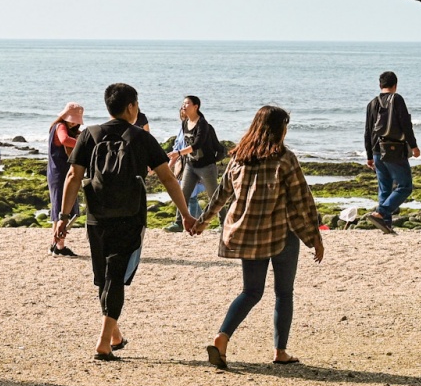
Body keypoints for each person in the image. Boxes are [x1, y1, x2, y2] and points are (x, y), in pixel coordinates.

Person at [57, 83, 194, 360]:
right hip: (130, 216)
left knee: (104, 278)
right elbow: (168, 178)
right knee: (116, 276)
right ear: (131, 107)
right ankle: (104, 341)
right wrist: (186, 215)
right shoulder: (140, 137)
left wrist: (63, 217)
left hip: (97, 215)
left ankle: (114, 335)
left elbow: (73, 177)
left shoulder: (90, 135)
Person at [204, 105, 324, 368]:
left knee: (251, 291)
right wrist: (315, 237)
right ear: (279, 128)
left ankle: (222, 337)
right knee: (284, 293)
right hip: (282, 235)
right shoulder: (285, 158)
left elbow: (221, 195)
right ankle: (280, 351)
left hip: (249, 235)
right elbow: (303, 199)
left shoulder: (239, 158)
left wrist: (203, 221)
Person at [364, 71, 419, 234]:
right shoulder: (397, 99)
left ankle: (385, 224)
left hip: (376, 150)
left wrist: (368, 155)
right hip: (394, 149)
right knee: (405, 186)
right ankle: (381, 212)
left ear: (380, 85)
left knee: (385, 188)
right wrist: (414, 146)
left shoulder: (372, 103)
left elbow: (367, 131)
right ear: (395, 85)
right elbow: (405, 124)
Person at [167, 95, 224, 230]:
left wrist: (179, 153)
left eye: (187, 103)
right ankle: (178, 223)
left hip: (206, 166)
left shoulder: (203, 124)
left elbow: (198, 144)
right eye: (183, 103)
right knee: (182, 195)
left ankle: (223, 224)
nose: (183, 106)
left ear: (195, 107)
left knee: (214, 197)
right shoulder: (185, 122)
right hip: (190, 165)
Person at [46, 103, 84, 257]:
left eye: (76, 120)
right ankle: (59, 246)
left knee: (59, 209)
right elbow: (64, 140)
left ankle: (55, 244)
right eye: (72, 119)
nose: (73, 122)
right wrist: (83, 144)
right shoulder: (60, 126)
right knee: (63, 210)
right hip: (61, 173)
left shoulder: (58, 127)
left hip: (56, 172)